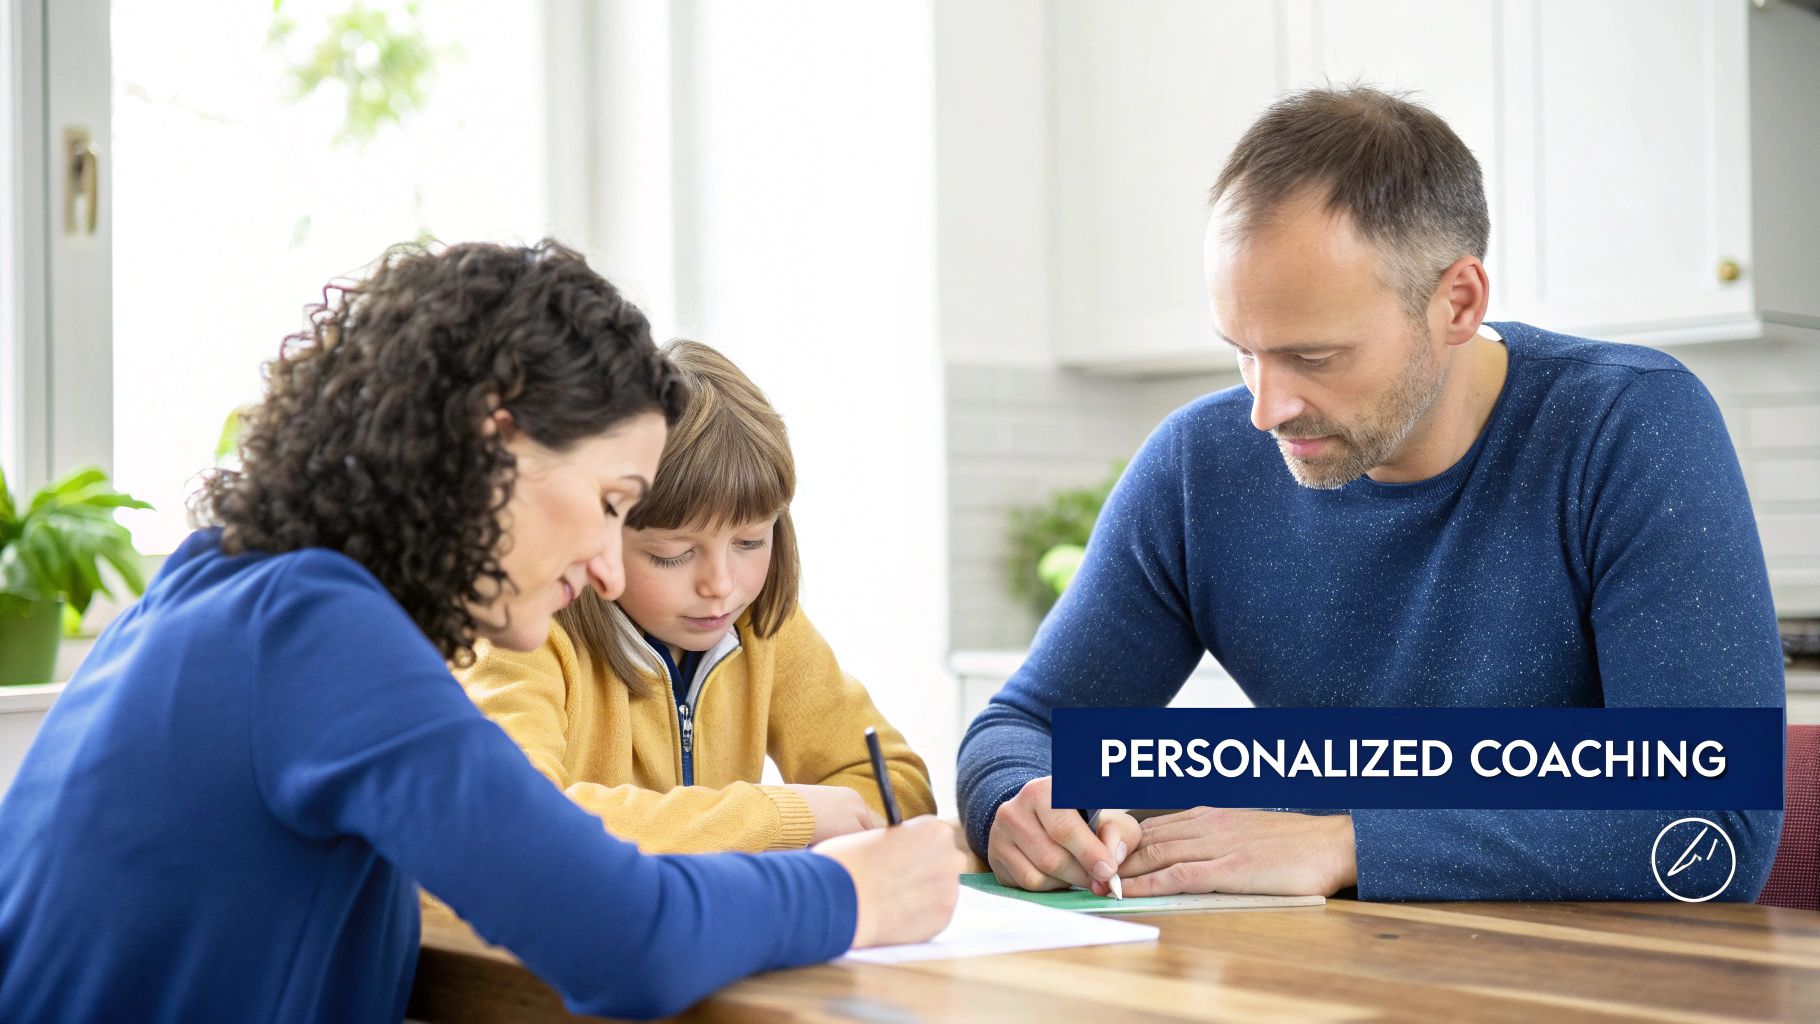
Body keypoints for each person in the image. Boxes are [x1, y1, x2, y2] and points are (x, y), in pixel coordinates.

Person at [0, 241, 962, 1022]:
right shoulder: (317, 633)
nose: (607, 566)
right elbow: (625, 941)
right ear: (494, 445)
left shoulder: (223, 582)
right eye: (610, 503)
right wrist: (855, 895)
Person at [957, 87, 1785, 902]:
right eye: (1242, 351)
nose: (1265, 408)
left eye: (1313, 358)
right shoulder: (1194, 466)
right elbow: (1022, 728)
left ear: (1456, 302)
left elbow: (1713, 824)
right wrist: (1019, 800)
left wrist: (1346, 841)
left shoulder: (1628, 424)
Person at [455, 339, 934, 855]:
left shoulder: (763, 624)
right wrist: (777, 817)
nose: (721, 585)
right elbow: (518, 822)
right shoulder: (524, 634)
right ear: (600, 529)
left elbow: (898, 788)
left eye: (751, 542)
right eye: (672, 554)